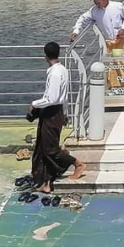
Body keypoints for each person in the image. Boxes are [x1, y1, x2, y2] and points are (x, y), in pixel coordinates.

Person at [29, 41, 86, 193]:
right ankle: (46, 183)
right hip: (57, 111)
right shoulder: (62, 70)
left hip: (51, 113)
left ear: (45, 56)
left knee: (50, 149)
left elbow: (52, 98)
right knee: (43, 147)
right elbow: (64, 96)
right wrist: (65, 113)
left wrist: (34, 104)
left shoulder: (54, 73)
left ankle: (77, 163)